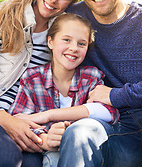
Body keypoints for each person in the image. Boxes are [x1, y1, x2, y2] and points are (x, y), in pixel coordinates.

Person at [56, 0, 142, 167]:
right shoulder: (74, 20)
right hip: (113, 124)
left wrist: (115, 95)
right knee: (79, 133)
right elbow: (39, 14)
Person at [0, 0, 79, 167]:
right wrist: (8, 122)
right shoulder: (2, 17)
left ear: (70, 4)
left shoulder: (58, 39)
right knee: (5, 158)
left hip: (22, 121)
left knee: (34, 164)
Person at [8, 13, 119, 167]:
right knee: (53, 159)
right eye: (66, 40)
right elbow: (17, 122)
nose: (73, 48)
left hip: (84, 151)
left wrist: (48, 116)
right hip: (48, 151)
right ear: (50, 41)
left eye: (82, 44)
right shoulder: (32, 78)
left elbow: (110, 113)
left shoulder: (91, 76)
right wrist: (45, 137)